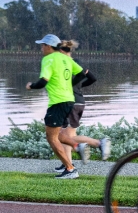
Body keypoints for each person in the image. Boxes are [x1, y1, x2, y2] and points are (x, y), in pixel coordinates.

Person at [26, 34, 86, 179]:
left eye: (42, 45)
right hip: (69, 101)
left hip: (58, 102)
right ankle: (78, 146)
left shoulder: (48, 59)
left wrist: (31, 86)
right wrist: (69, 85)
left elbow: (42, 82)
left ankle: (70, 169)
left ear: (48, 46)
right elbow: (82, 73)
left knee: (51, 138)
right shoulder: (65, 58)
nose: (41, 48)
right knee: (56, 134)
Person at [55, 40, 111, 171]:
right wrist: (79, 86)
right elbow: (92, 78)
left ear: (62, 51)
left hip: (71, 103)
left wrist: (71, 87)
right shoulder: (77, 63)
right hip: (79, 102)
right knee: (66, 134)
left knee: (65, 137)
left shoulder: (66, 64)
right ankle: (67, 164)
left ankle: (98, 143)